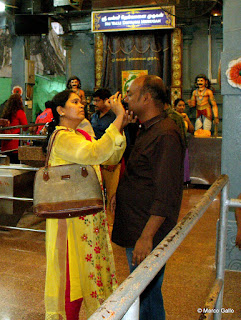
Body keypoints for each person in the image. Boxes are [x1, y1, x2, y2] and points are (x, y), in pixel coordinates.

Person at [43, 89, 127, 319]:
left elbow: (110, 157)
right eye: (75, 102)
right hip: (70, 220)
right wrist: (118, 118)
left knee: (84, 270)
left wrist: (119, 125)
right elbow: (95, 153)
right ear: (60, 110)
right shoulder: (63, 137)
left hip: (85, 214)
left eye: (82, 101)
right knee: (72, 274)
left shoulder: (79, 134)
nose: (82, 105)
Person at [111, 75, 185, 320]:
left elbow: (167, 192)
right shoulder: (147, 128)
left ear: (146, 97)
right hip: (136, 221)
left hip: (146, 226)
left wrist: (147, 236)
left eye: (131, 94)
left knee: (147, 293)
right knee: (144, 290)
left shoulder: (166, 134)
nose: (127, 99)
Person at [91, 88, 120, 226]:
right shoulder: (94, 117)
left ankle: (113, 224)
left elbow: (120, 138)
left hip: (112, 161)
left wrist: (116, 158)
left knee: (112, 194)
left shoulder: (115, 117)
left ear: (106, 101)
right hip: (97, 159)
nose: (94, 103)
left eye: (97, 100)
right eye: (94, 100)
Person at [1, 93, 28, 163]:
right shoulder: (20, 112)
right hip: (15, 145)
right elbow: (25, 127)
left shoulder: (6, 113)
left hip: (5, 145)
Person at [174, 98, 194, 184]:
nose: (182, 107)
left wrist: (188, 121)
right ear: (175, 107)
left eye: (183, 105)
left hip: (184, 142)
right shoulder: (174, 117)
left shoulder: (185, 116)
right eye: (179, 105)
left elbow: (191, 130)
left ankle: (184, 180)